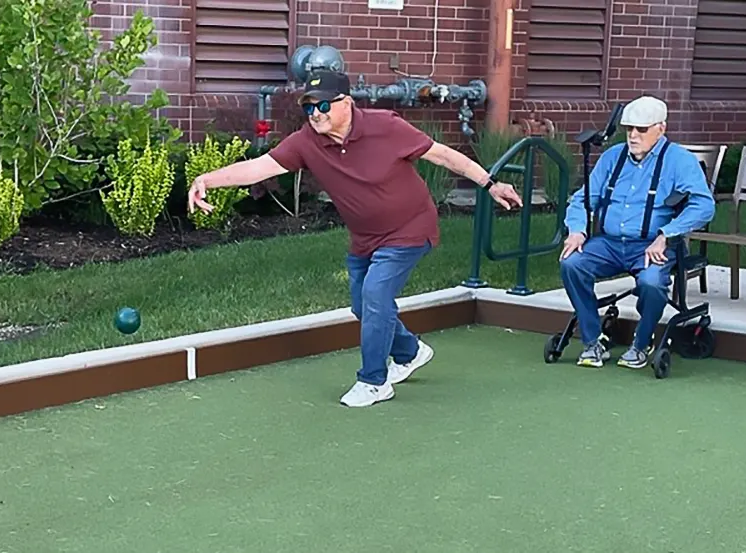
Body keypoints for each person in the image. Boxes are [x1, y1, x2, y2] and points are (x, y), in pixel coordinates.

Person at [188, 69, 523, 407]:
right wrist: (206, 180)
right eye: (309, 108)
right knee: (363, 305)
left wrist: (491, 185)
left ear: (346, 103)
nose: (315, 114)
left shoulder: (386, 126)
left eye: (323, 106)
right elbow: (260, 167)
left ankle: (374, 382)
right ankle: (409, 351)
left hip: (410, 228)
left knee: (376, 292)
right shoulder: (307, 141)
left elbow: (444, 155)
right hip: (365, 238)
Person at [559, 95, 716, 369]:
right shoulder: (613, 157)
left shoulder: (679, 160)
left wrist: (666, 234)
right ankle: (592, 340)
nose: (633, 135)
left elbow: (703, 205)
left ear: (660, 128)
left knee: (652, 283)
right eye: (629, 128)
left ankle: (642, 343)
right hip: (608, 243)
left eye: (641, 129)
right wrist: (577, 230)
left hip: (652, 244)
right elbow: (583, 198)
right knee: (571, 263)